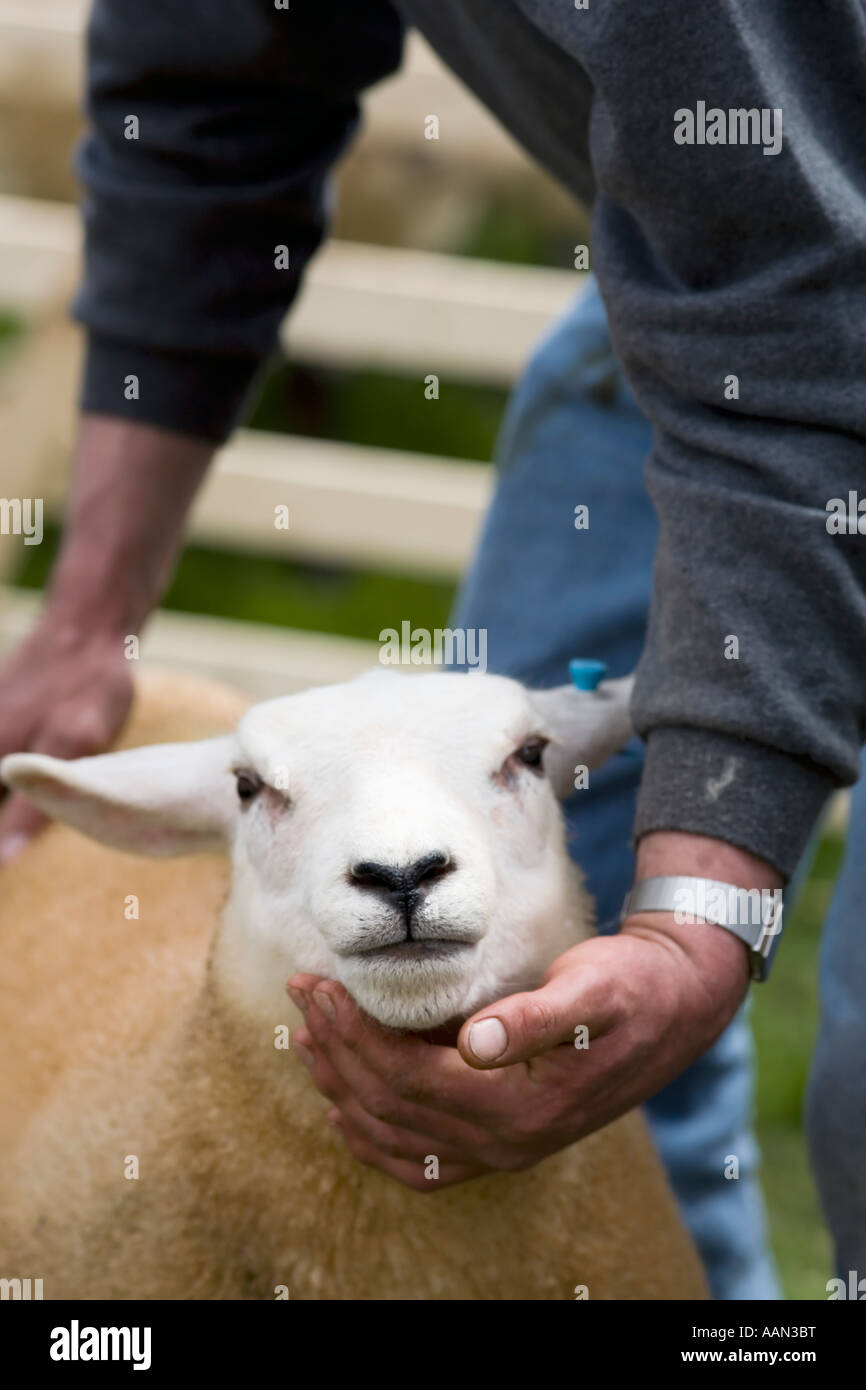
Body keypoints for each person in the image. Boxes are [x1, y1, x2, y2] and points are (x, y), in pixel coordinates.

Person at [2, 1, 864, 1296]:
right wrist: (85, 621)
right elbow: (203, 98)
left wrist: (700, 920)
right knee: (533, 924)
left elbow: (790, 306)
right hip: (682, 260)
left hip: (787, 281)